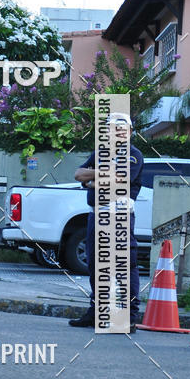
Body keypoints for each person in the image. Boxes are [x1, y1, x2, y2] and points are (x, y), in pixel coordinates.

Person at [69, 113, 143, 332]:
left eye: (119, 129)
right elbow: (78, 174)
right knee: (96, 265)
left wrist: (92, 180)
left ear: (129, 132)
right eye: (110, 128)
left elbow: (121, 179)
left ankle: (128, 317)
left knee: (124, 266)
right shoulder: (99, 153)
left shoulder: (133, 155)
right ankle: (96, 313)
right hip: (97, 214)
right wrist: (102, 175)